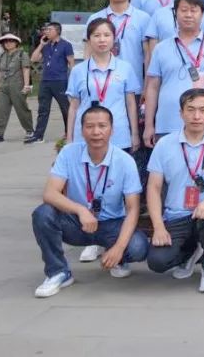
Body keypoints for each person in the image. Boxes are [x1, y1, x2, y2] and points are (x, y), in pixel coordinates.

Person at [30, 106, 149, 297]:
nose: (96, 132)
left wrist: (119, 248)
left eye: (102, 126)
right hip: (77, 223)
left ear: (112, 129)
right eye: (90, 126)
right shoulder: (69, 153)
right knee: (43, 214)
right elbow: (50, 193)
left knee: (138, 247)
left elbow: (133, 208)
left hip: (111, 224)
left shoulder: (125, 161)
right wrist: (80, 210)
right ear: (82, 130)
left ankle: (116, 257)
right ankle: (58, 272)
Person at [146, 89, 204, 293]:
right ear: (181, 113)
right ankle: (189, 252)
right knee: (157, 262)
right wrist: (158, 226)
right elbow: (153, 187)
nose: (197, 116)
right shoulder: (165, 144)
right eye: (191, 110)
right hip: (176, 214)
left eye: (203, 110)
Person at [143, 0, 204, 147]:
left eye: (193, 10)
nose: (188, 15)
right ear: (175, 14)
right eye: (183, 10)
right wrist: (149, 124)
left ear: (202, 14)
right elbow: (152, 87)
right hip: (166, 123)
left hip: (203, 123)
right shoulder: (161, 48)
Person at [65, 18, 141, 152]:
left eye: (106, 35)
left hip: (118, 135)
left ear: (114, 38)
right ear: (89, 40)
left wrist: (134, 134)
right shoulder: (78, 70)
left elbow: (131, 104)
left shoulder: (125, 68)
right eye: (96, 35)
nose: (102, 40)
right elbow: (73, 107)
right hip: (85, 136)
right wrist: (69, 137)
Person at [86, 0, 150, 92]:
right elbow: (88, 53)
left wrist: (147, 87)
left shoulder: (143, 18)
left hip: (133, 86)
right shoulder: (95, 18)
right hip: (100, 86)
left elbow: (148, 56)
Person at [28, 21, 75, 144]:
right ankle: (38, 135)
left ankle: (69, 133)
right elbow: (33, 59)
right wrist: (41, 44)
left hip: (60, 81)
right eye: (45, 30)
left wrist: (73, 80)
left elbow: (71, 63)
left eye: (49, 30)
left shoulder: (66, 45)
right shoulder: (46, 45)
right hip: (45, 81)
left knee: (65, 108)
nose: (46, 32)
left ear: (57, 31)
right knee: (43, 109)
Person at [0, 32, 34, 143]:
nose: (8, 43)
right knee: (0, 110)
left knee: (21, 109)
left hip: (17, 86)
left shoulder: (22, 54)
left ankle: (30, 131)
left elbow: (26, 69)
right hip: (3, 86)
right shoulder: (2, 55)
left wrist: (26, 85)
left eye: (11, 41)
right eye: (5, 41)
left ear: (16, 43)